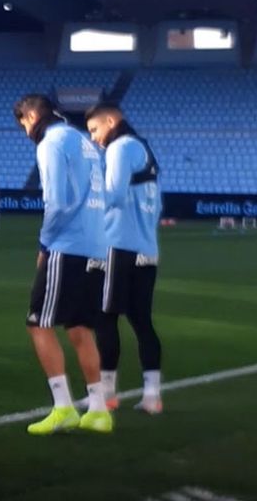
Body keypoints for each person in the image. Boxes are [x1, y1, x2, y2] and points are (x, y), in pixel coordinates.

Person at [12, 94, 113, 435]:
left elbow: (56, 201)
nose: (25, 131)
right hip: (97, 245)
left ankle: (63, 407)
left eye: (23, 123)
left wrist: (45, 243)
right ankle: (98, 410)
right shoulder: (83, 141)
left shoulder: (51, 143)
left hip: (68, 245)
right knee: (79, 328)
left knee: (38, 322)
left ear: (30, 116)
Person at [84, 103, 164, 414]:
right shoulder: (144, 150)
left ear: (110, 121)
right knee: (142, 322)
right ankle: (152, 396)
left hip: (118, 246)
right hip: (147, 249)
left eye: (95, 129)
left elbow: (113, 195)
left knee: (105, 318)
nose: (94, 138)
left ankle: (107, 394)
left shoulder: (120, 147)